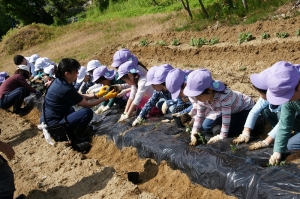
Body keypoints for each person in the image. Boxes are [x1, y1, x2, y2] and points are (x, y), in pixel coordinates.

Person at [42, 58, 118, 143]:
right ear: (67, 73)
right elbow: (87, 105)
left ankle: (70, 132)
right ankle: (76, 137)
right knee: (87, 112)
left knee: (71, 110)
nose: (78, 74)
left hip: (51, 121)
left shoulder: (60, 81)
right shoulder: (64, 88)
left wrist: (97, 95)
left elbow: (80, 96)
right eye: (75, 72)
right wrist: (106, 97)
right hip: (56, 127)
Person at [233, 66, 300, 150]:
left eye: (260, 93)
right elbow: (254, 111)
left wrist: (267, 141)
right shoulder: (286, 95)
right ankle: (281, 136)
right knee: (265, 111)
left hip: (294, 120)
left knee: (290, 145)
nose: (258, 95)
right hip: (288, 120)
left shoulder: (287, 97)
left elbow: (283, 121)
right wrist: (246, 132)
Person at [183, 69, 255, 146]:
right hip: (232, 111)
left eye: (198, 95)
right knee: (208, 127)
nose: (196, 98)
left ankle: (256, 123)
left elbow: (226, 118)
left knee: (218, 129)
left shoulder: (224, 96)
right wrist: (194, 132)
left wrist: (222, 136)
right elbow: (200, 115)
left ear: (209, 90)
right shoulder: (203, 99)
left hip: (246, 109)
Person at [261, 61, 300, 165]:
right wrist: (277, 151)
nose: (285, 100)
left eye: (286, 97)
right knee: (290, 145)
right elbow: (284, 124)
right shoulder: (291, 100)